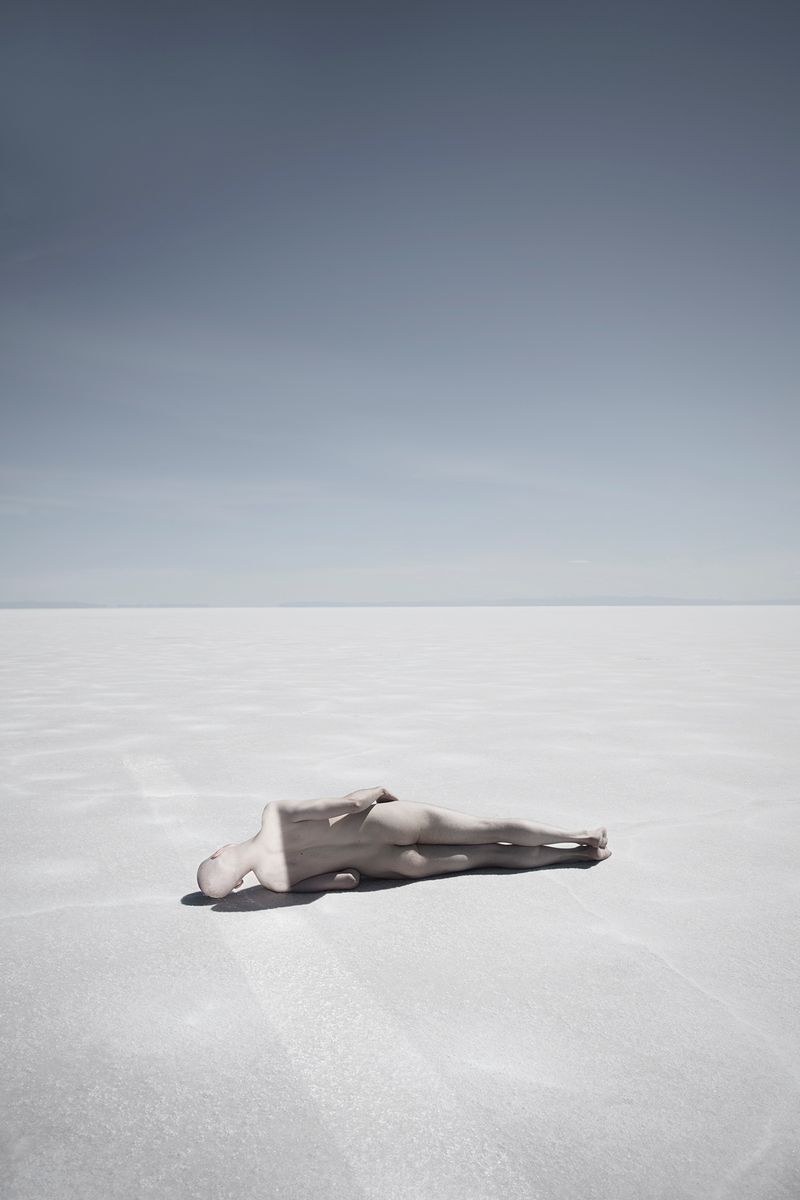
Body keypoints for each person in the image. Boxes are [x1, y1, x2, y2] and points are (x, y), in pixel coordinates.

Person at [196, 787, 611, 898]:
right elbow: (347, 803)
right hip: (391, 822)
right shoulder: (273, 815)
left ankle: (574, 857)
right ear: (220, 851)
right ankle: (583, 836)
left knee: (490, 856)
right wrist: (375, 792)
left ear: (238, 882)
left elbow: (348, 880)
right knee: (491, 827)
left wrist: (345, 869)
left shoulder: (277, 883)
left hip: (395, 864)